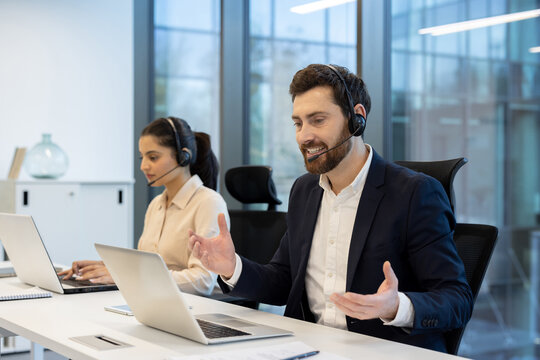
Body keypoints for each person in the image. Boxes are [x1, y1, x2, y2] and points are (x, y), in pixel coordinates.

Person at [188, 64, 473, 352]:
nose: (304, 136)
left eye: (318, 120)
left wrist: (396, 307)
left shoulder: (413, 193)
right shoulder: (304, 190)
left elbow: (457, 299)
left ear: (357, 119)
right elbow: (283, 281)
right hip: (308, 347)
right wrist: (231, 267)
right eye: (298, 123)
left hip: (380, 351)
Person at [59, 117, 229, 296]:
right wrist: (104, 268)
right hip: (154, 300)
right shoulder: (156, 205)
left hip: (193, 308)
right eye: (143, 157)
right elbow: (148, 266)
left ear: (183, 156)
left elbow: (202, 281)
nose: (143, 166)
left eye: (153, 157)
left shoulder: (208, 203)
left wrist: (124, 276)